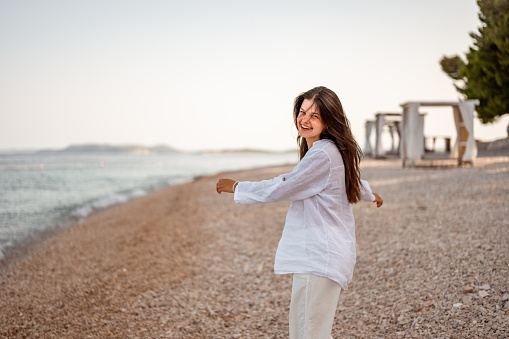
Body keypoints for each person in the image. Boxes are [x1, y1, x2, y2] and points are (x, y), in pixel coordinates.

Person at [216, 86, 383, 339]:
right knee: (311, 332)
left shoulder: (323, 154)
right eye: (302, 112)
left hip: (319, 257)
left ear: (328, 120)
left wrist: (239, 187)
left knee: (308, 334)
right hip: (325, 255)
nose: (305, 119)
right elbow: (346, 180)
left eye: (315, 116)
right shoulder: (329, 151)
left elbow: (286, 186)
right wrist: (370, 194)